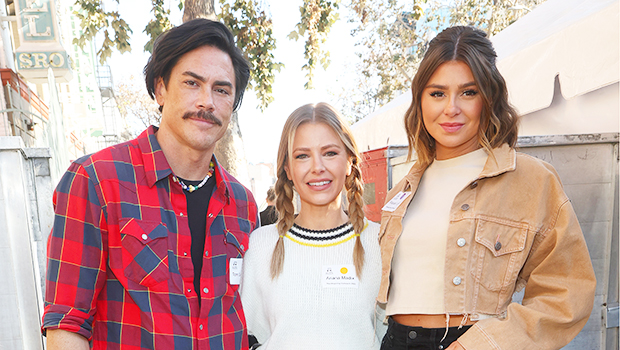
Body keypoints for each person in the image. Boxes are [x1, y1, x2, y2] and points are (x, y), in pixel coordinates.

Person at [42, 19, 258, 350]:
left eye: (222, 89)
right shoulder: (97, 180)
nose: (207, 102)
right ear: (160, 89)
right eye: (191, 83)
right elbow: (66, 325)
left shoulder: (242, 204)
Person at [378, 26, 596, 350]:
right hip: (395, 341)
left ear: (488, 97)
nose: (451, 108)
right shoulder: (403, 190)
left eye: (468, 92)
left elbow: (567, 293)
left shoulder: (532, 180)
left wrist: (484, 344)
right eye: (437, 93)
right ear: (420, 101)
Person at [240, 103, 385, 349]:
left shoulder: (380, 242)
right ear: (288, 168)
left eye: (329, 153)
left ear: (350, 161)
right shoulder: (261, 244)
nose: (317, 167)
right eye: (302, 156)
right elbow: (250, 335)